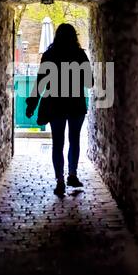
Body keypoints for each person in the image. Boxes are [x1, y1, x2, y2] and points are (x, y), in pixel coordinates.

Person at [25, 23, 93, 196]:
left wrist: (32, 104)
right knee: (74, 140)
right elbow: (89, 82)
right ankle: (72, 174)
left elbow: (40, 82)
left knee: (58, 143)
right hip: (76, 103)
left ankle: (60, 180)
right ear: (74, 36)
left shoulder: (49, 55)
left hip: (55, 104)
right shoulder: (79, 54)